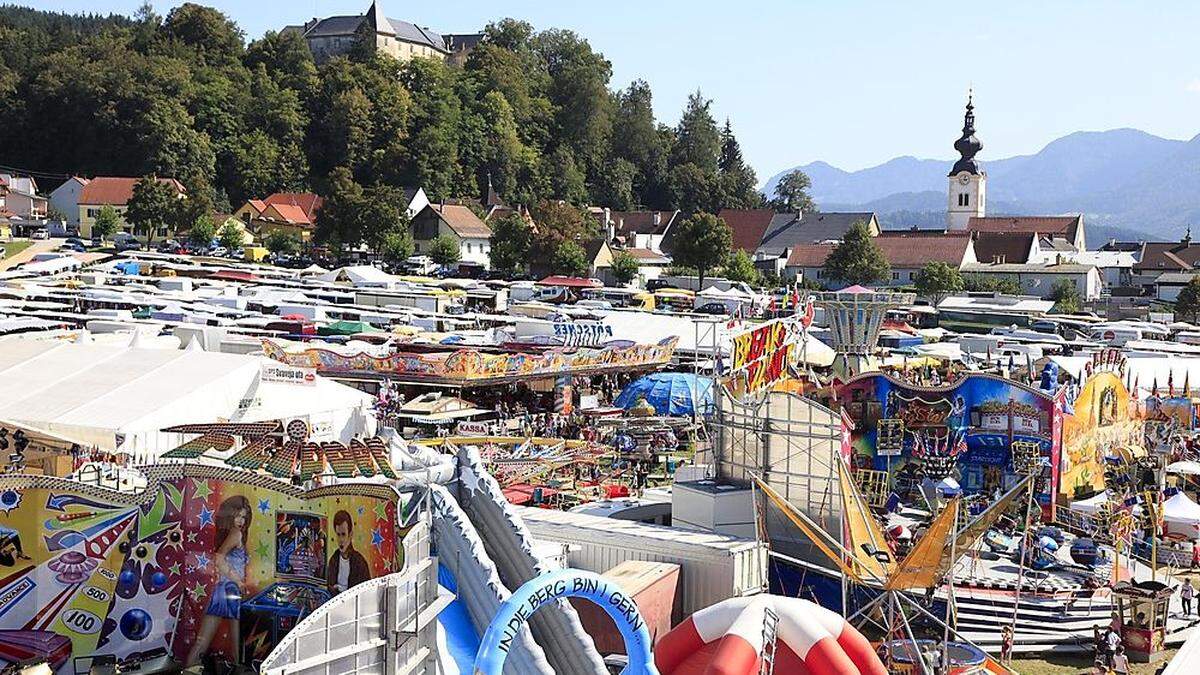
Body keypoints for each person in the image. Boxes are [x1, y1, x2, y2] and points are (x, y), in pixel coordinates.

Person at [187, 496, 252, 667]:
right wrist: (239, 581)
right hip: (229, 589)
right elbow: (219, 558)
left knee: (205, 640)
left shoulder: (233, 533)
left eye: (244, 517)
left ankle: (189, 669)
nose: (241, 521)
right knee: (235, 645)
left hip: (225, 589)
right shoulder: (236, 534)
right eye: (238, 516)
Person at [326, 510, 370, 594]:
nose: (341, 540)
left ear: (350, 534)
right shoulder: (333, 560)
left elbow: (366, 591)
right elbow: (329, 586)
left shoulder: (360, 563)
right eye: (338, 535)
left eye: (343, 534)